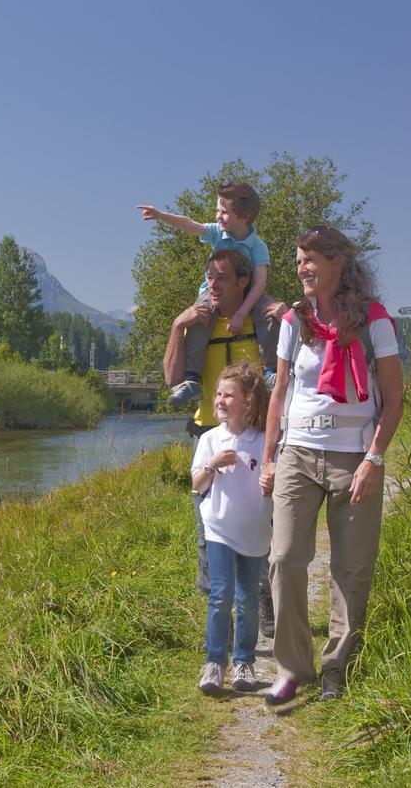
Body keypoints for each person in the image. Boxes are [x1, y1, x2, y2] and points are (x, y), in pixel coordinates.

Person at [258, 226, 404, 705]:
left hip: (354, 457)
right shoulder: (294, 321)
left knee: (351, 566)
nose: (302, 267)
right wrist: (269, 458)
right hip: (297, 453)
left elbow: (395, 400)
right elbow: (279, 392)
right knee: (282, 558)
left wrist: (373, 459)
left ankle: (337, 667)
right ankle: (293, 667)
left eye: (312, 259)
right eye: (299, 258)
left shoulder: (374, 321)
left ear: (340, 263)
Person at [163, 249, 279, 638]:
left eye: (221, 278)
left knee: (262, 525)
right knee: (205, 531)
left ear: (243, 281)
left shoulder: (260, 320)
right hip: (208, 437)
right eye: (209, 277)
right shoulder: (197, 322)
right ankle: (220, 617)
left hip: (258, 440)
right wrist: (177, 324)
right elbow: (171, 378)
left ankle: (263, 599)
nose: (212, 285)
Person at [140, 182, 279, 405]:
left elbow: (260, 282)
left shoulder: (258, 246)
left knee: (269, 314)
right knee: (199, 317)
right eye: (217, 210)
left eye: (224, 212)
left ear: (244, 216)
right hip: (212, 292)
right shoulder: (217, 232)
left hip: (249, 291)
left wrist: (243, 313)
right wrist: (161, 215)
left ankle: (272, 370)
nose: (218, 216)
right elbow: (190, 225)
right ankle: (191, 378)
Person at [191, 363, 272, 694]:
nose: (220, 400)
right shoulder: (211, 438)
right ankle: (214, 663)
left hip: (254, 531)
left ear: (247, 401)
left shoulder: (264, 440)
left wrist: (272, 476)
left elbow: (273, 475)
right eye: (218, 394)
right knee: (221, 594)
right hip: (219, 527)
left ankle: (244, 662)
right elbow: (197, 484)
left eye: (228, 394)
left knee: (248, 598)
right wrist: (212, 465)